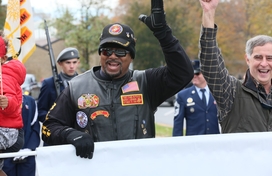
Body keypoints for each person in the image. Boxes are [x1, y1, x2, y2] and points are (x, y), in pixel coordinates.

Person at [42, 0, 194, 160]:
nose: (113, 56)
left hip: (137, 168)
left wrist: (163, 33)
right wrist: (69, 134)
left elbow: (183, 72)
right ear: (100, 54)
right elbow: (48, 128)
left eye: (121, 52)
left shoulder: (146, 83)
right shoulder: (76, 87)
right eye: (107, 51)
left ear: (131, 56)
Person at [199, 0, 272, 133]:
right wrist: (209, 12)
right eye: (258, 57)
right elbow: (211, 66)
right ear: (247, 59)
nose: (264, 63)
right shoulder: (231, 92)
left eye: (269, 58)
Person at [0, 31, 26, 176]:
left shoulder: (4, 77)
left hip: (7, 131)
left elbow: (13, 102)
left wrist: (6, 102)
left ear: (2, 59)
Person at [173, 60, 220, 136]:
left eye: (197, 73)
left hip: (214, 142)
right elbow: (178, 123)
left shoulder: (217, 93)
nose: (194, 76)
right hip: (193, 143)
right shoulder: (183, 95)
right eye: (192, 73)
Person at [37, 47, 80, 123]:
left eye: (74, 62)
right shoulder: (49, 83)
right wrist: (53, 122)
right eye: (68, 62)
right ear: (60, 63)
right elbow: (41, 111)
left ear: (78, 63)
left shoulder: (83, 82)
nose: (72, 66)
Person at [3, 95, 40, 176]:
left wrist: (29, 148)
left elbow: (34, 127)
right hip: (5, 156)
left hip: (27, 156)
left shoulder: (30, 101)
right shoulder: (3, 101)